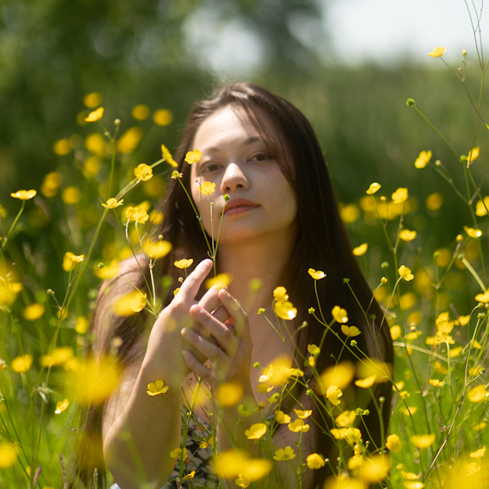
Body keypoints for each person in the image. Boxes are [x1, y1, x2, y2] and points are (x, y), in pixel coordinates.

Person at [77, 83, 393, 489]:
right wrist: (161, 365)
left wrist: (234, 398)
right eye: (209, 167)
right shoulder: (138, 292)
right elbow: (133, 477)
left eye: (260, 156)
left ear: (306, 172)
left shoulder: (347, 324)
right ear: (190, 192)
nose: (232, 180)